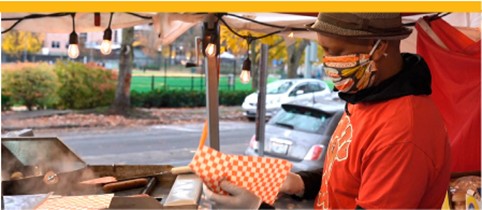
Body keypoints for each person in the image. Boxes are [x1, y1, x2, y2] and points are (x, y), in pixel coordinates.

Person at [204, 13, 451, 209]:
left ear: (379, 47)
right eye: (323, 50)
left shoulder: (404, 132)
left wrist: (258, 208)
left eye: (335, 51)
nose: (327, 62)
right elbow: (348, 173)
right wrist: (299, 182)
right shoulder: (364, 98)